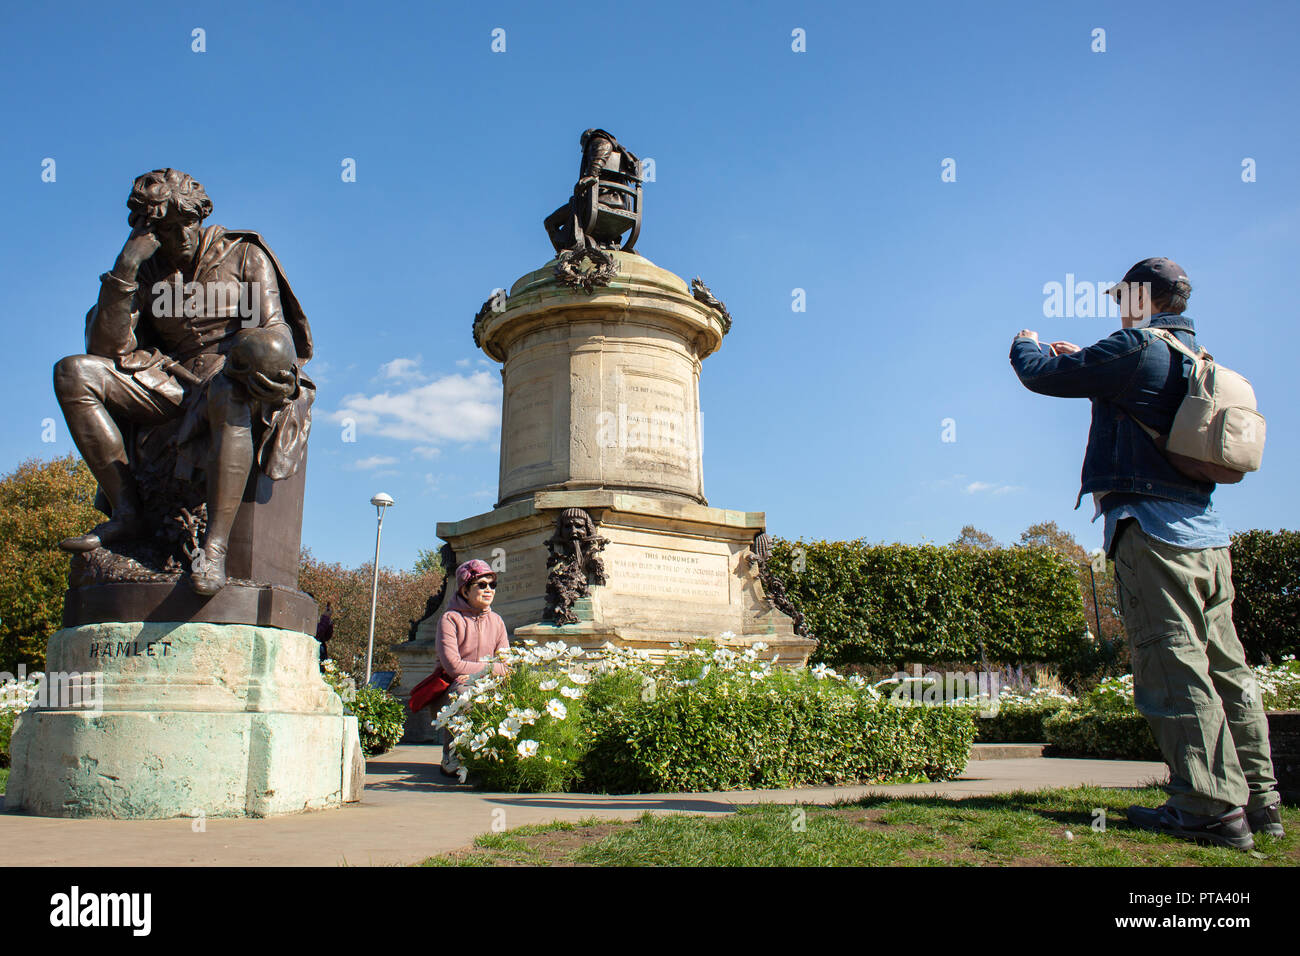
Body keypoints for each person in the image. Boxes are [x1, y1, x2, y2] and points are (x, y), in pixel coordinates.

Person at [1009, 257, 1281, 851]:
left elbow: (1042, 375)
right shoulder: (1193, 356)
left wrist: (1025, 343)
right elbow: (1131, 386)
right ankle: (1261, 802)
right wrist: (1089, 356)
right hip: (1209, 537)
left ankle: (1208, 809)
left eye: (1120, 295)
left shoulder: (1132, 347)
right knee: (1228, 670)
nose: (1114, 304)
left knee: (1172, 666)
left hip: (1152, 531)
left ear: (1140, 296)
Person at [53, 168, 314, 595]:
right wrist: (126, 267)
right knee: (73, 372)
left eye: (186, 224)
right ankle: (126, 512)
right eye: (166, 230)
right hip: (169, 379)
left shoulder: (244, 254)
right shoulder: (145, 269)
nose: (181, 237)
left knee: (228, 393)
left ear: (201, 216)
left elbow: (275, 328)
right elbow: (105, 349)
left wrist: (258, 358)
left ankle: (213, 548)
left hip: (234, 375)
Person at [433, 559, 509, 776]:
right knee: (463, 694)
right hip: (454, 685)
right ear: (465, 591)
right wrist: (491, 668)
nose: (488, 590)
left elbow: (507, 666)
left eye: (492, 585)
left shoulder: (497, 621)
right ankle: (453, 753)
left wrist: (479, 672)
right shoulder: (450, 619)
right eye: (482, 585)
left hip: (488, 683)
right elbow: (453, 666)